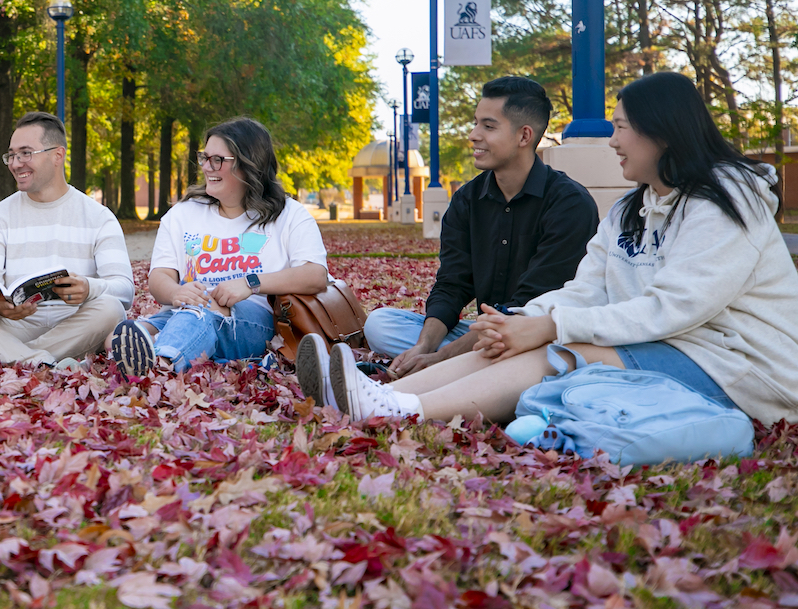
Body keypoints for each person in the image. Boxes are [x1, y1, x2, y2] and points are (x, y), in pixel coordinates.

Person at [301, 72, 798, 428]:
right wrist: (520, 323)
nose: (612, 141)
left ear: (662, 132)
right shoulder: (631, 209)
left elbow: (676, 308)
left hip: (736, 368)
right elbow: (582, 289)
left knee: (562, 346)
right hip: (659, 343)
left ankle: (401, 410)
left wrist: (545, 325)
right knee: (518, 337)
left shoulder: (725, 203)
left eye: (621, 127)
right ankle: (379, 395)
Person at [358, 76, 598, 382]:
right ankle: (464, 366)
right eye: (475, 123)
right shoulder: (467, 200)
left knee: (537, 347)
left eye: (488, 126)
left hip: (538, 335)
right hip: (484, 338)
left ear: (524, 136)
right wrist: (424, 346)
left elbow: (532, 306)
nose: (473, 135)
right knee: (381, 324)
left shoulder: (569, 204)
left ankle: (456, 369)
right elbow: (452, 284)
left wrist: (441, 357)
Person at [110, 117, 328, 376]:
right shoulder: (182, 214)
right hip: (183, 313)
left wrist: (249, 284)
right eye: (204, 157)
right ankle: (163, 349)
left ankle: (160, 365)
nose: (206, 167)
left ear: (249, 164)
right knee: (115, 338)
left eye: (217, 160)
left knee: (200, 314)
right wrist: (176, 294)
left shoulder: (289, 214)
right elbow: (160, 278)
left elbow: (315, 275)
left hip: (252, 322)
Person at [0, 112, 133, 368]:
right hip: (13, 326)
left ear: (57, 155)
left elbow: (124, 290)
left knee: (111, 308)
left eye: (25, 153)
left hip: (75, 324)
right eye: (11, 155)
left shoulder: (99, 217)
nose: (15, 163)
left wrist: (89, 288)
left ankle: (18, 359)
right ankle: (44, 363)